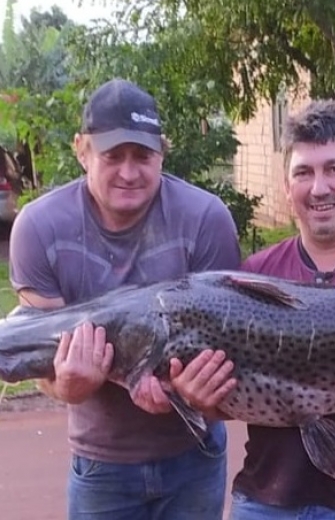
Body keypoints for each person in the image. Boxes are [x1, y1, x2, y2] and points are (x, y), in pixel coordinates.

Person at [170, 99, 335, 519]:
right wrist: (197, 399)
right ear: (286, 186)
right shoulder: (252, 279)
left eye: (334, 169)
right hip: (264, 501)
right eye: (304, 172)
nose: (319, 188)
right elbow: (225, 399)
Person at [8, 78, 241, 520]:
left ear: (162, 152)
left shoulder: (206, 219)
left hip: (195, 455)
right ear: (82, 150)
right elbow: (38, 351)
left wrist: (184, 393)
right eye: (113, 156)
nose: (129, 173)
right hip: (101, 463)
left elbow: (226, 342)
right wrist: (67, 387)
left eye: (143, 156)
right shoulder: (38, 229)